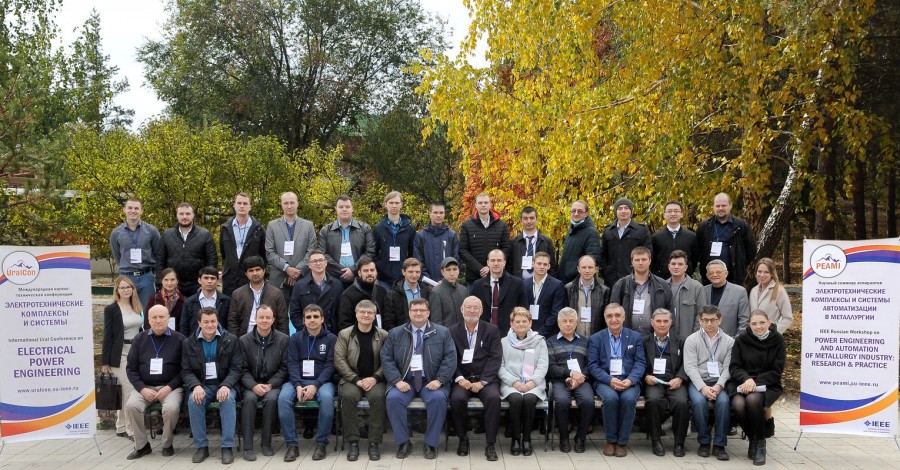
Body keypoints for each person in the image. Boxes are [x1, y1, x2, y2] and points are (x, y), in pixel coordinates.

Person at [381, 298, 456, 460]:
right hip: (405, 380)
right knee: (393, 399)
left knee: (438, 399)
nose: (418, 313)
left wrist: (440, 380)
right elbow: (386, 358)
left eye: (422, 310)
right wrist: (396, 380)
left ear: (428, 313)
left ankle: (430, 443)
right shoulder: (396, 333)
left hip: (431, 381)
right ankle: (403, 442)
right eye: (415, 310)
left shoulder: (443, 332)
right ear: (409, 313)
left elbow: (450, 358)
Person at [182, 307, 243, 464]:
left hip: (225, 384)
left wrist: (226, 385)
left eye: (213, 321)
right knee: (193, 401)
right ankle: (201, 446)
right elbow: (186, 370)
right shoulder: (189, 343)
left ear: (218, 321)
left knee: (227, 400)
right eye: (206, 322)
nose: (210, 325)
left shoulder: (231, 340)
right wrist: (195, 386)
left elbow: (236, 368)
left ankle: (227, 447)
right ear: (199, 323)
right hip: (203, 385)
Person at [124, 305, 185, 460]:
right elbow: (131, 369)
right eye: (154, 317)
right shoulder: (139, 339)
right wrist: (142, 389)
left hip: (171, 387)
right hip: (145, 387)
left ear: (168, 318)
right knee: (131, 406)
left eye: (162, 317)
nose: (158, 320)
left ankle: (167, 444)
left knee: (171, 409)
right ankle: (141, 445)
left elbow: (186, 370)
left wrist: (169, 387)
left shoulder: (180, 339)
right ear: (148, 320)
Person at [278, 304, 337, 462]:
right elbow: (292, 363)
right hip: (297, 380)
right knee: (283, 398)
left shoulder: (331, 339)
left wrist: (315, 385)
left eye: (316, 316)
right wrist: (297, 385)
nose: (312, 320)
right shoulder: (295, 338)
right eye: (308, 317)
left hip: (322, 382)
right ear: (303, 321)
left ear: (322, 319)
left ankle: (321, 443)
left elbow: (330, 365)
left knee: (327, 399)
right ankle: (292, 444)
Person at [587, 303, 646, 458]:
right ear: (605, 318)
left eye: (617, 315)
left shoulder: (635, 337)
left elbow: (640, 363)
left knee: (628, 399)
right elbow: (593, 366)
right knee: (611, 399)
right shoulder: (596, 338)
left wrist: (631, 380)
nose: (614, 319)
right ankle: (611, 440)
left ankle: (622, 442)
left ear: (624, 317)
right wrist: (610, 379)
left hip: (629, 380)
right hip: (605, 380)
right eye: (610, 316)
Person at [728, 310, 785, 466]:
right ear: (749, 325)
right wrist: (746, 379)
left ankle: (760, 444)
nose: (758, 326)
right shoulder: (741, 340)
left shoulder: (778, 340)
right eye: (754, 323)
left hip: (768, 383)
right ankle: (753, 439)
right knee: (738, 404)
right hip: (742, 381)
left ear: (769, 323)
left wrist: (755, 382)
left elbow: (777, 371)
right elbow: (734, 367)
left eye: (762, 323)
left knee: (753, 400)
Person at [449, 296, 503, 460]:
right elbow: (449, 358)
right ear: (462, 309)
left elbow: (495, 357)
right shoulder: (452, 331)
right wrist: (460, 378)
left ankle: (490, 444)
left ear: (481, 311)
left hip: (485, 379)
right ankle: (463, 439)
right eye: (468, 307)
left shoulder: (492, 330)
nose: (472, 311)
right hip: (463, 379)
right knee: (457, 399)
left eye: (475, 308)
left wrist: (483, 381)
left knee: (494, 398)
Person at [334, 300, 389, 461]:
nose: (366, 315)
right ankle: (353, 442)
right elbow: (339, 359)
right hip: (351, 379)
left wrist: (375, 377)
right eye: (362, 312)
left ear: (374, 316)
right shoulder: (345, 334)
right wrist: (355, 379)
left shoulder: (383, 335)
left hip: (376, 379)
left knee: (378, 397)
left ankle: (374, 443)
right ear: (356, 314)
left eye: (369, 312)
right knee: (348, 397)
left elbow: (388, 360)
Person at [238, 304, 289, 461]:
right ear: (255, 319)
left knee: (271, 399)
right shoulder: (244, 340)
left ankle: (266, 443)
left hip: (273, 384)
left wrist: (271, 384)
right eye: (261, 317)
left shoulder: (283, 339)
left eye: (268, 317)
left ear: (273, 320)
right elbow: (241, 368)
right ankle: (248, 447)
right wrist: (253, 385)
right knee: (249, 400)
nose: (264, 320)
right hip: (251, 384)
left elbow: (285, 368)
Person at [684, 305, 735, 461]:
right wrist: (703, 388)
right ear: (700, 320)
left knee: (724, 402)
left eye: (713, 320)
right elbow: (690, 367)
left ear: (720, 320)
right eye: (705, 320)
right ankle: (704, 442)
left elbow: (728, 368)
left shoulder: (729, 341)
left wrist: (719, 386)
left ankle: (720, 445)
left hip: (719, 382)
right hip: (698, 382)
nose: (709, 323)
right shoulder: (691, 340)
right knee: (698, 402)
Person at [498, 307, 549, 456]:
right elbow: (500, 366)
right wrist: (514, 382)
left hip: (534, 383)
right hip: (511, 383)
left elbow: (543, 365)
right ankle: (515, 439)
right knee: (515, 399)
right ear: (511, 324)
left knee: (529, 399)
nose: (521, 324)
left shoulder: (539, 341)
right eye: (517, 321)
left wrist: (532, 383)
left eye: (524, 321)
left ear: (530, 323)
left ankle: (526, 439)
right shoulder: (503, 342)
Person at [642, 308, 689, 458]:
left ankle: (679, 443)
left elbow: (687, 363)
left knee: (681, 403)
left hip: (674, 381)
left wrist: (680, 378)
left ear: (671, 323)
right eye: (658, 321)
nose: (662, 324)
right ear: (652, 323)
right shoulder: (644, 341)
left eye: (665, 321)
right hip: (654, 381)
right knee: (654, 400)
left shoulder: (681, 341)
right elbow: (639, 363)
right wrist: (645, 376)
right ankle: (656, 441)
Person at [102, 275, 144, 440]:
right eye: (122, 288)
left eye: (128, 287)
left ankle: (120, 427)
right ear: (117, 290)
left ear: (133, 289)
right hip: (120, 354)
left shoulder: (137, 306)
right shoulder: (112, 309)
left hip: (136, 352)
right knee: (130, 389)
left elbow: (140, 330)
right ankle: (130, 429)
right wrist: (105, 362)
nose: (126, 290)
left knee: (127, 391)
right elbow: (108, 336)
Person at [546, 307, 592, 453]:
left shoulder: (585, 341)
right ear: (558, 323)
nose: (568, 324)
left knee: (588, 401)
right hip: (559, 380)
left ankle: (581, 437)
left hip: (581, 380)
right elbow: (550, 367)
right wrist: (570, 373)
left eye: (571, 321)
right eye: (564, 321)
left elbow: (590, 365)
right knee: (562, 401)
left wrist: (580, 377)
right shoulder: (551, 341)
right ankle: (564, 437)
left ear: (576, 323)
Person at [265, 191, 318, 304]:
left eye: (292, 202)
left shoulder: (308, 225)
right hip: (278, 278)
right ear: (281, 205)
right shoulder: (272, 226)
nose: (289, 206)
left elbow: (311, 251)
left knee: (303, 311)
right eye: (286, 203)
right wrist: (287, 268)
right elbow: (269, 252)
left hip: (303, 277)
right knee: (278, 312)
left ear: (297, 204)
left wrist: (297, 271)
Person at [156, 202, 217, 297]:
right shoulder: (167, 235)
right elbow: (160, 261)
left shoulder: (205, 235)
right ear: (177, 215)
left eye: (188, 213)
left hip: (197, 286)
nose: (184, 217)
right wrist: (161, 283)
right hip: (173, 286)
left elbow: (212, 261)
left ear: (193, 215)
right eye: (181, 214)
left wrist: (205, 283)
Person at [109, 197, 160, 309]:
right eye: (130, 208)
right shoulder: (116, 233)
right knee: (127, 310)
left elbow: (158, 254)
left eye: (136, 208)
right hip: (126, 278)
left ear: (141, 211)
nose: (133, 211)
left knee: (147, 311)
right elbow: (117, 255)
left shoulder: (151, 230)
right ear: (124, 210)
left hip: (146, 277)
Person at [697, 193, 757, 286]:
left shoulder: (741, 225)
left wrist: (739, 263)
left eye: (724, 205)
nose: (720, 208)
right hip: (709, 278)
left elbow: (751, 250)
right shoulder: (704, 226)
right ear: (713, 207)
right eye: (718, 206)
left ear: (730, 205)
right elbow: (697, 250)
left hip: (734, 278)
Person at [610, 246, 672, 335]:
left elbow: (670, 313)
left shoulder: (662, 285)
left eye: (644, 259)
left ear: (650, 261)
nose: (640, 263)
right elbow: (612, 313)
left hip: (654, 337)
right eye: (637, 260)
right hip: (627, 337)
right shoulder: (621, 284)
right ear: (632, 262)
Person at [318, 194, 376, 287]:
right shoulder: (325, 231)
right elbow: (322, 254)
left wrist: (353, 269)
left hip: (359, 277)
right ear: (336, 209)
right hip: (334, 278)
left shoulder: (365, 228)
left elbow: (370, 252)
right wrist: (342, 271)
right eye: (341, 207)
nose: (344, 209)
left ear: (352, 209)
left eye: (347, 207)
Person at [470, 249, 528, 335]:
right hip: (484, 333)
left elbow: (524, 310)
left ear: (504, 262)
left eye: (499, 260)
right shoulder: (478, 285)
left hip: (510, 334)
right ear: (488, 263)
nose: (496, 263)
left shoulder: (517, 284)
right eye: (493, 260)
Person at [459, 193, 510, 290]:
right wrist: (480, 269)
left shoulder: (501, 225)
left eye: (486, 203)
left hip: (497, 277)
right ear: (475, 205)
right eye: (480, 203)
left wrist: (490, 267)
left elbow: (506, 248)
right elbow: (463, 250)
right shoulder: (467, 225)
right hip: (474, 278)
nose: (483, 205)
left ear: (490, 205)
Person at [228, 255, 289, 336]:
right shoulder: (237, 294)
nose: (255, 273)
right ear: (246, 274)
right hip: (245, 337)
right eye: (251, 271)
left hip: (271, 337)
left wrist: (282, 340)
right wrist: (235, 340)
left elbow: (283, 320)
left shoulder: (276, 293)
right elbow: (232, 321)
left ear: (264, 271)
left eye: (257, 269)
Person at [220, 192, 267, 295]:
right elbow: (224, 253)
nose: (242, 206)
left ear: (250, 206)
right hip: (230, 280)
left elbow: (263, 254)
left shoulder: (258, 229)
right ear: (234, 205)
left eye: (245, 203)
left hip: (251, 279)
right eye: (239, 203)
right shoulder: (225, 228)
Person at [600, 197, 652, 288]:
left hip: (634, 278)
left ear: (631, 211)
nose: (623, 211)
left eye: (626, 208)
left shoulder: (641, 230)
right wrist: (606, 271)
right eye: (620, 208)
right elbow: (603, 255)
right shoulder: (608, 231)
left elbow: (648, 253)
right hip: (611, 280)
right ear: (616, 211)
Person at [289, 249, 344, 333]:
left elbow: (340, 312)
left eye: (321, 260)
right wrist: (306, 330)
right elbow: (294, 313)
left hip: (331, 333)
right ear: (309, 265)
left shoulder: (337, 285)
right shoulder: (300, 286)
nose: (318, 263)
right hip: (306, 333)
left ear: (326, 263)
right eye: (314, 261)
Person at [373, 191, 416, 290]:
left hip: (403, 276)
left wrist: (408, 268)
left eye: (397, 203)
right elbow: (374, 252)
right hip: (383, 278)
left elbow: (412, 252)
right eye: (391, 203)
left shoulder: (410, 228)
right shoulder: (378, 228)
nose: (394, 206)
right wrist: (380, 266)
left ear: (401, 205)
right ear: (385, 204)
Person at [651, 201, 700, 279]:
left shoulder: (691, 236)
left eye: (676, 211)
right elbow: (653, 260)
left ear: (681, 214)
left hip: (685, 280)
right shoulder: (656, 238)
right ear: (664, 215)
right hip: (662, 280)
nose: (673, 214)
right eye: (669, 211)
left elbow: (694, 259)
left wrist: (689, 271)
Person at [507, 206, 558, 280]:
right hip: (519, 283)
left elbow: (552, 267)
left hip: (541, 283)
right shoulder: (514, 242)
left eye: (532, 218)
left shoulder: (546, 242)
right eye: (525, 218)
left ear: (536, 220)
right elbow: (509, 267)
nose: (529, 221)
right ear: (521, 221)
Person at [413, 202, 460, 283]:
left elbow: (456, 259)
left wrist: (445, 280)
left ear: (444, 214)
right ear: (430, 214)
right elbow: (418, 261)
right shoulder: (421, 236)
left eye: (441, 213)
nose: (438, 215)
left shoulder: (452, 235)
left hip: (448, 283)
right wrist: (430, 282)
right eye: (435, 212)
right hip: (426, 284)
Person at [702, 259, 750, 337]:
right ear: (707, 275)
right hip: (706, 339)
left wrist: (737, 341)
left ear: (726, 273)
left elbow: (744, 320)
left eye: (718, 272)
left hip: (731, 339)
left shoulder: (739, 292)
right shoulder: (702, 291)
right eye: (711, 273)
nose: (714, 275)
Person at [336, 255, 387, 330]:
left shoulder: (382, 291)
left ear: (376, 272)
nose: (369, 273)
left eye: (372, 270)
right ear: (359, 273)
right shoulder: (348, 295)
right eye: (366, 271)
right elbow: (344, 324)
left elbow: (387, 319)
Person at [564, 255, 610, 336]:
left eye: (590, 267)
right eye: (584, 267)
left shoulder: (604, 291)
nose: (587, 270)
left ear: (596, 269)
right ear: (578, 269)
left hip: (596, 337)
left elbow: (606, 318)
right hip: (574, 337)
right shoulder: (569, 289)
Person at [558, 200, 602, 283]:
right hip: (565, 280)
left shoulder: (590, 232)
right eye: (573, 211)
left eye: (580, 211)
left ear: (586, 214)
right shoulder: (570, 231)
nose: (576, 214)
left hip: (577, 281)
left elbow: (593, 259)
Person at [524, 251, 566, 337]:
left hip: (548, 333)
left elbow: (555, 313)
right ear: (533, 264)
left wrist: (541, 332)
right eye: (539, 263)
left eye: (545, 264)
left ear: (549, 266)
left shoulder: (557, 285)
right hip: (526, 331)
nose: (542, 267)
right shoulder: (524, 284)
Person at [383, 257, 432, 330]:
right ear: (403, 272)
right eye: (410, 272)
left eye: (417, 272)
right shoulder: (393, 294)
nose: (414, 275)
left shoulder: (427, 291)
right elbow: (388, 321)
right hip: (401, 333)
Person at [181, 266, 230, 336]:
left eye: (212, 278)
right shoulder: (189, 302)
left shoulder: (226, 301)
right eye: (206, 278)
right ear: (199, 280)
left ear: (217, 281)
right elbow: (184, 327)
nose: (209, 281)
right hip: (195, 340)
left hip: (221, 340)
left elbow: (230, 324)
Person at [749, 258, 793, 333]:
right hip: (754, 336)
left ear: (772, 273)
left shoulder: (779, 290)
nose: (762, 275)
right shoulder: (753, 291)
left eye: (766, 272)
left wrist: (774, 333)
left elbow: (788, 318)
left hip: (770, 336)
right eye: (759, 271)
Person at [667, 250, 704, 340]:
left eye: (680, 264)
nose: (676, 267)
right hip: (667, 339)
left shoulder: (697, 287)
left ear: (686, 267)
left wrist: (695, 337)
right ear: (669, 267)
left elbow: (701, 315)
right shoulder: (662, 286)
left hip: (689, 339)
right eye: (673, 264)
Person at [428, 257, 468, 327]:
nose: (452, 273)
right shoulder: (436, 292)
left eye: (455, 269)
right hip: (446, 332)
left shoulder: (463, 290)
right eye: (448, 270)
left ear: (458, 271)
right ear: (442, 272)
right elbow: (436, 321)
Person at [143, 268, 184, 332]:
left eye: (172, 280)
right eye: (166, 280)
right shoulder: (153, 299)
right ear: (162, 281)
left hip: (177, 335)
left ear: (177, 281)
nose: (169, 283)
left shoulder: (184, 300)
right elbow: (147, 322)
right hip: (156, 334)